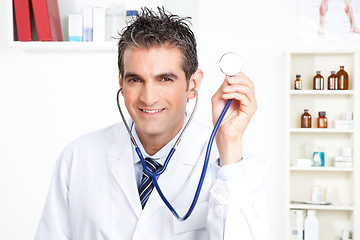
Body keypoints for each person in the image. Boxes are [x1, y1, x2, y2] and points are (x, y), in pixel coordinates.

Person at [35, 7, 270, 239]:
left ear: (193, 84)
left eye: (165, 79)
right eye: (135, 79)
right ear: (121, 82)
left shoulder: (237, 167)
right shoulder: (77, 158)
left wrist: (228, 144)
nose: (148, 97)